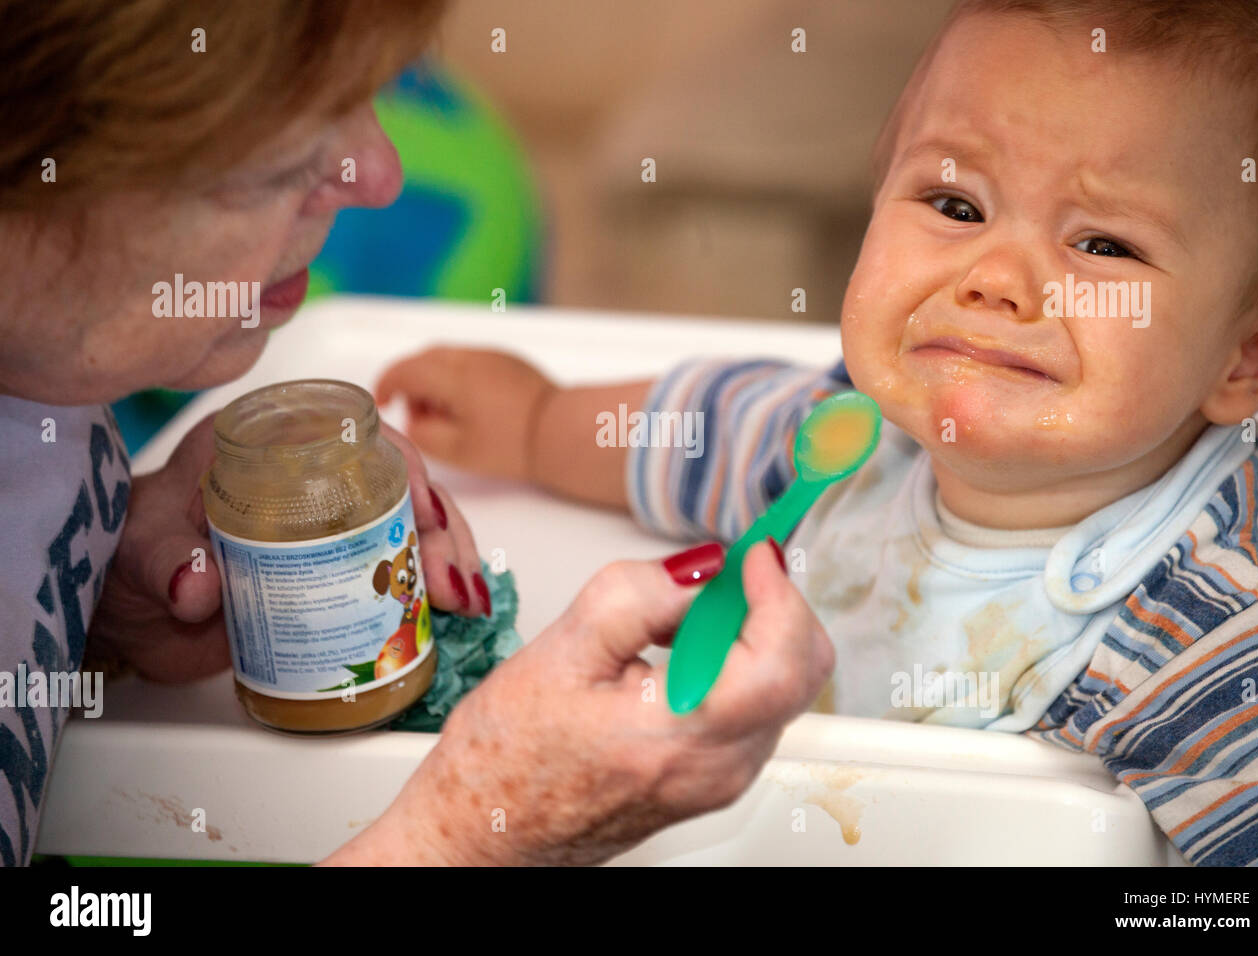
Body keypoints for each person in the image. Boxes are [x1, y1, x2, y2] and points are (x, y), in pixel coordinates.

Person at [375, 0, 1258, 865]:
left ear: (1245, 359)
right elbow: (690, 432)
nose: (996, 279)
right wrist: (536, 422)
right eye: (955, 205)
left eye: (1103, 245)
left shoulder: (1222, 645)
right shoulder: (843, 444)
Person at [0, 0, 833, 867]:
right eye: (275, 155)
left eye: (371, 95)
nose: (380, 174)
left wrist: (95, 606)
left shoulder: (42, 382)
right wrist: (465, 834)